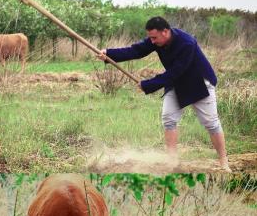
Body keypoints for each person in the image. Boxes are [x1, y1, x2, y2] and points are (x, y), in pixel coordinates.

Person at [97, 16, 230, 171]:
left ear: (165, 32)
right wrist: (109, 54)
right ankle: (172, 162)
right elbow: (136, 50)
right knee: (169, 119)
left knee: (211, 123)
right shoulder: (156, 40)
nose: (152, 41)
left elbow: (175, 72)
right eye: (150, 38)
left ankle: (223, 160)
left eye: (154, 37)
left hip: (199, 82)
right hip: (176, 83)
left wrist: (148, 84)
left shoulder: (187, 43)